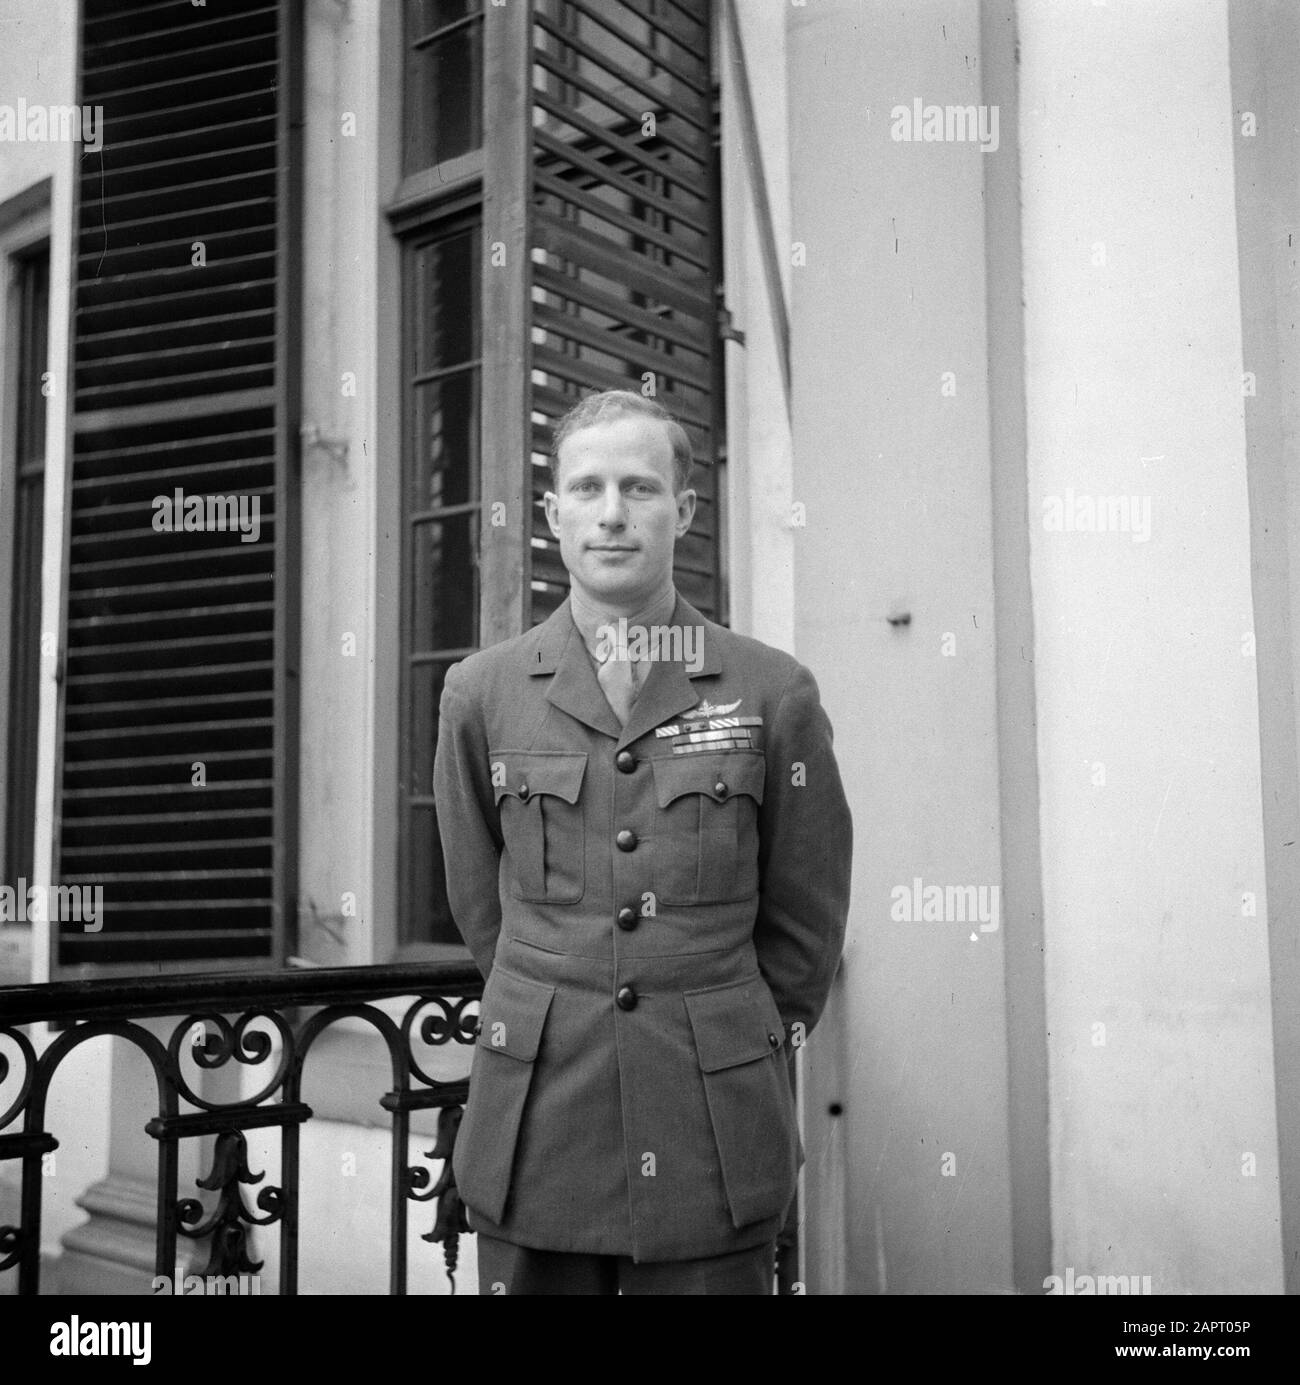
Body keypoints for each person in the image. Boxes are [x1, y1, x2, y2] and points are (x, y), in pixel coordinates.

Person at [432, 389, 852, 1294]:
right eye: (586, 488)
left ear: (685, 510)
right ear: (552, 514)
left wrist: (733, 1036)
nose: (613, 513)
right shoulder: (483, 692)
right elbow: (479, 902)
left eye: (639, 487)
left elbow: (806, 918)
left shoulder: (769, 691)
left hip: (711, 1128)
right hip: (540, 1119)